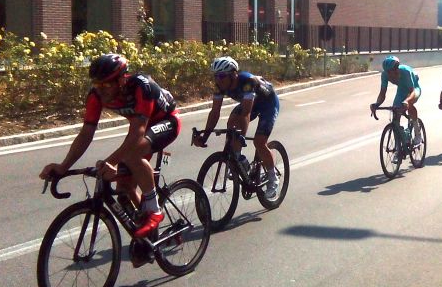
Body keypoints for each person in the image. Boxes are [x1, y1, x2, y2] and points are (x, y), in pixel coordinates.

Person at [40, 53, 180, 245]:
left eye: (106, 85)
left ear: (122, 79)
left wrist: (112, 161)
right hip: (144, 128)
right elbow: (86, 133)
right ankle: (149, 237)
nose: (101, 90)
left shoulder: (142, 86)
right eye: (97, 85)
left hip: (166, 121)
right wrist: (64, 166)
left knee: (132, 156)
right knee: (124, 189)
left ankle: (155, 210)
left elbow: (137, 130)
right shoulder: (96, 95)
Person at [194, 56, 281, 199]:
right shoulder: (219, 86)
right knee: (232, 122)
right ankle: (239, 160)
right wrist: (205, 136)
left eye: (222, 76)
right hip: (251, 103)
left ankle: (273, 179)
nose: (218, 80)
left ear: (234, 74)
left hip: (268, 104)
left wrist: (241, 136)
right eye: (215, 76)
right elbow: (215, 112)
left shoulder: (247, 82)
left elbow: (246, 113)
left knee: (258, 142)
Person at [371, 55, 422, 148]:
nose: (390, 74)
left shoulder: (405, 71)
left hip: (414, 89)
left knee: (409, 104)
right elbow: (382, 93)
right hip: (401, 90)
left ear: (397, 68)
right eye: (388, 72)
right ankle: (398, 146)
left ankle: (417, 133)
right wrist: (376, 104)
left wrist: (407, 101)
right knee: (396, 113)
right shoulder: (385, 75)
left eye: (392, 71)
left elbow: (412, 91)